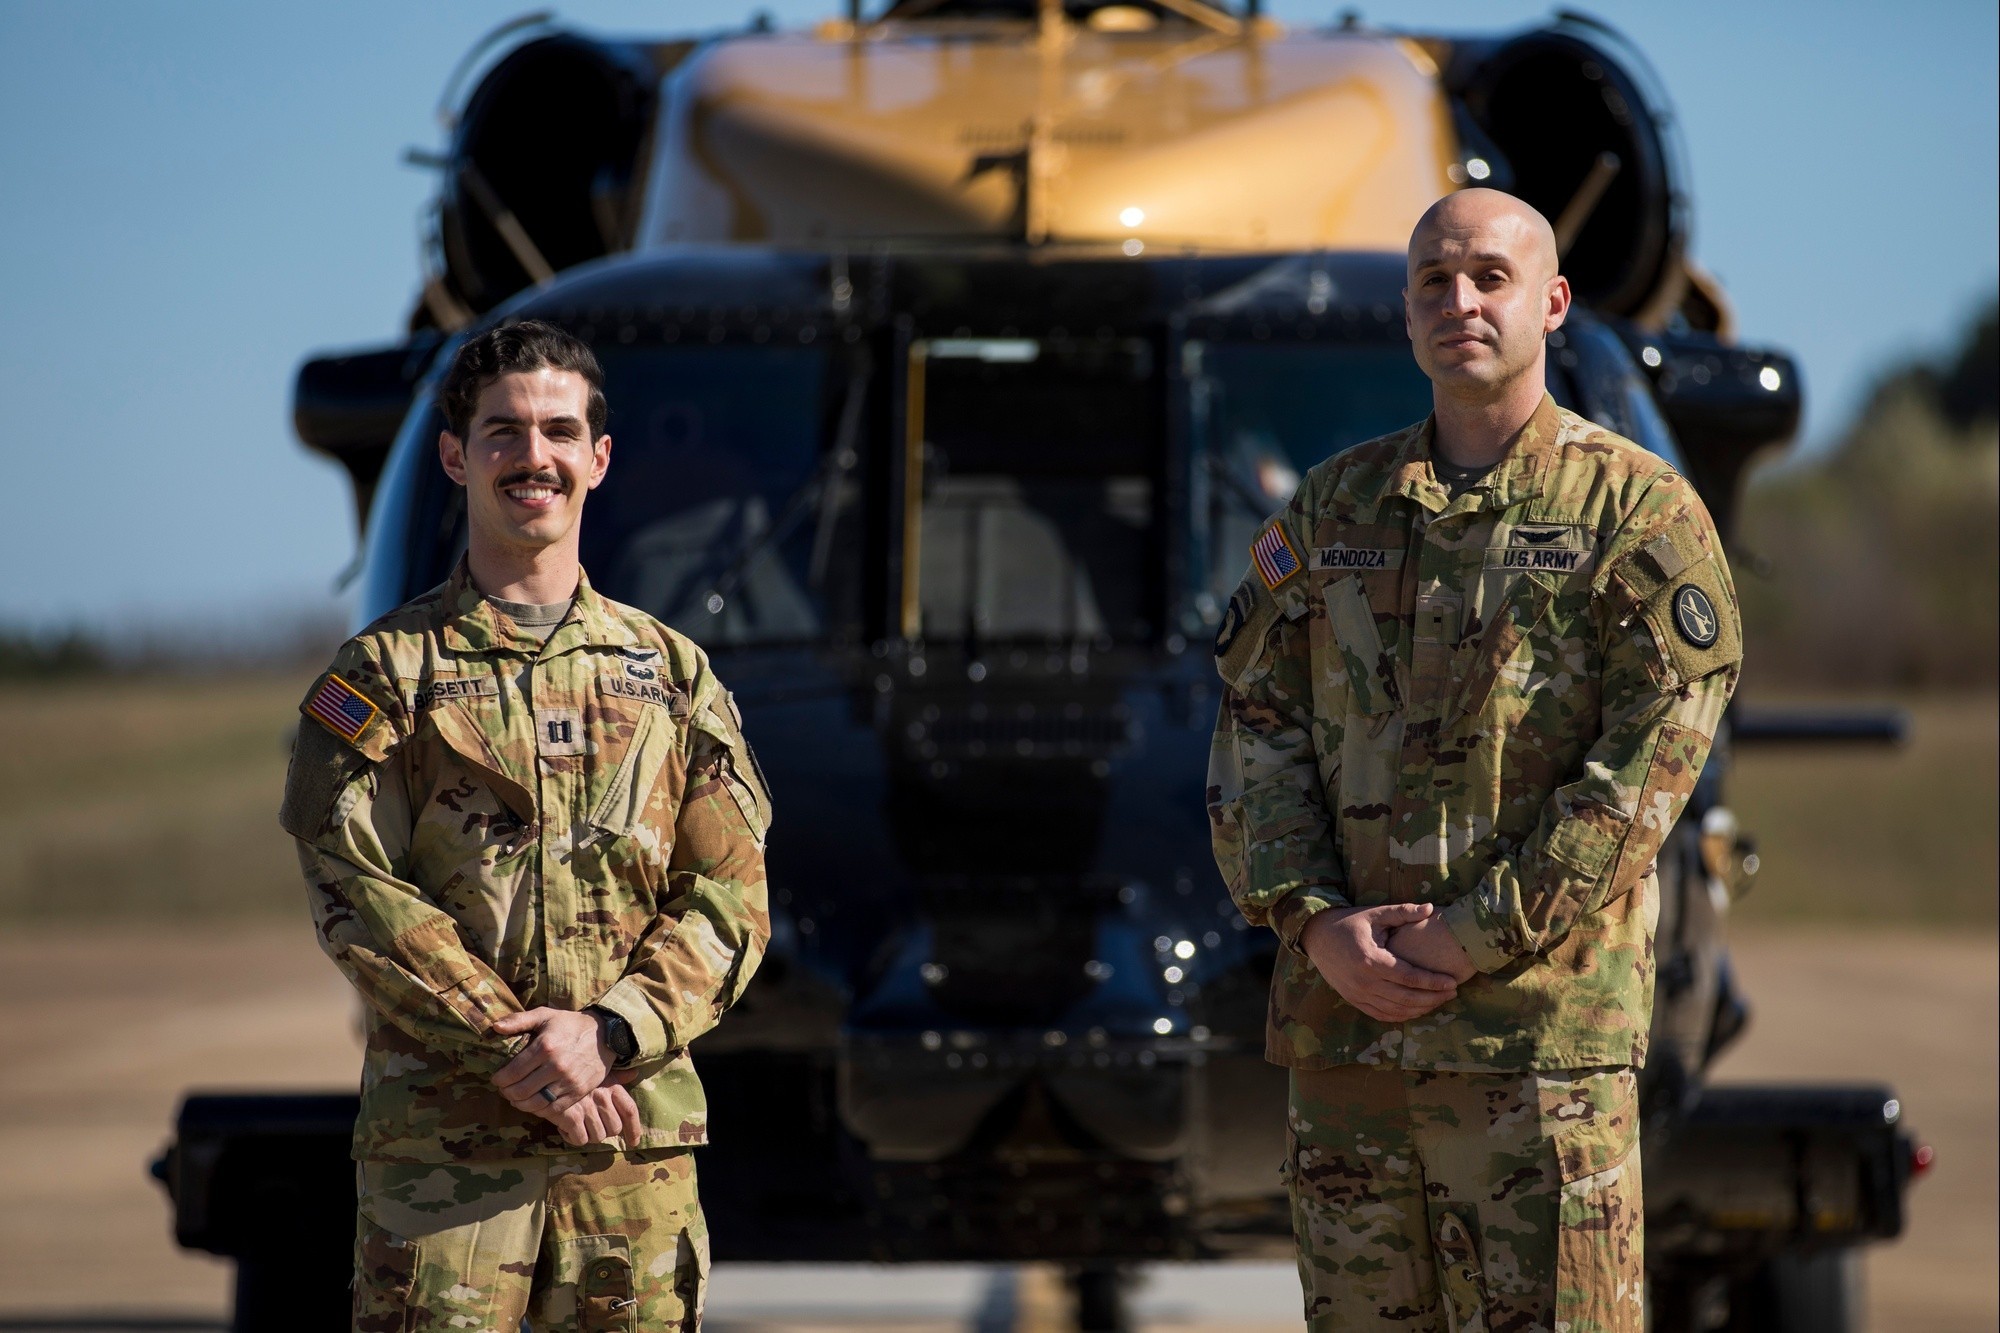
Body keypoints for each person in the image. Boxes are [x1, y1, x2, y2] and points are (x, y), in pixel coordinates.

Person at [1207, 190, 1740, 1331]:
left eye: (1488, 277)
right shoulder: (1335, 506)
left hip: (1536, 1049)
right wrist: (1310, 921)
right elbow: (1255, 723)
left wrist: (1470, 935)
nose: (1459, 302)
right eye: (1432, 282)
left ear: (1548, 304)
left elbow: (1639, 779)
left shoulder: (1636, 516)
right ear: (1404, 316)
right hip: (1350, 1044)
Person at [280, 319, 771, 1329]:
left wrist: (607, 1034)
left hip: (629, 1152)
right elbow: (356, 893)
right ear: (456, 456)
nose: (532, 457)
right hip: (447, 1169)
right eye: (503, 433)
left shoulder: (672, 676)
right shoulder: (380, 677)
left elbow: (729, 901)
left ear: (597, 457)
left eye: (557, 431)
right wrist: (528, 1058)